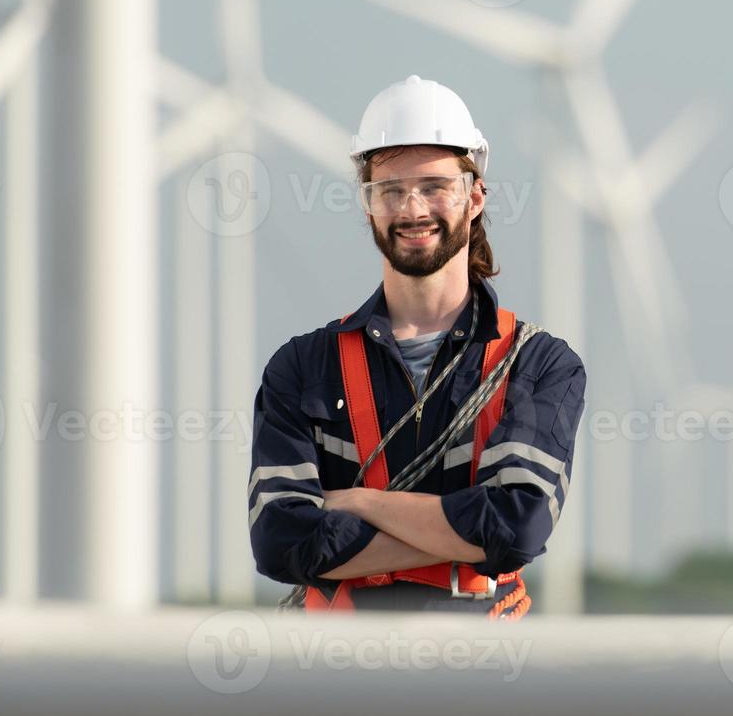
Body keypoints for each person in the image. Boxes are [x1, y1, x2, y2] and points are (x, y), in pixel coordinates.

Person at [248, 75, 586, 618]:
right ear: (368, 205)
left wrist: (360, 502)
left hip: (483, 675)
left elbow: (516, 527)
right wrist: (462, 539)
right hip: (334, 676)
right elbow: (280, 540)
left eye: (434, 186)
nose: (411, 208)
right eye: (390, 190)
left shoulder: (539, 364)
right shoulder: (302, 367)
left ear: (475, 196)